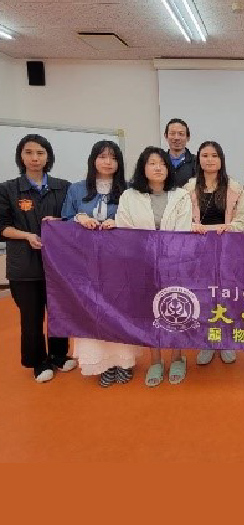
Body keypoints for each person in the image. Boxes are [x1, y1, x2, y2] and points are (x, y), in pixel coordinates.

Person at [61, 140, 142, 387]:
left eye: (113, 157)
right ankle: (101, 363)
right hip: (86, 263)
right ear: (93, 160)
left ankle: (123, 361)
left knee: (120, 310)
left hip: (120, 263)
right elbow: (64, 221)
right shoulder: (76, 189)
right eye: (102, 156)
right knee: (92, 310)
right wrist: (79, 218)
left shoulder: (129, 190)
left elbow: (137, 221)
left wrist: (118, 222)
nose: (108, 162)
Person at [0, 134, 76, 382]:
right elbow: (2, 227)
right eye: (29, 152)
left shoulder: (63, 187)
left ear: (48, 157)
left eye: (40, 153)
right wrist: (27, 235)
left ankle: (59, 355)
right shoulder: (8, 189)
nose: (35, 158)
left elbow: (71, 218)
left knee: (59, 312)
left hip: (58, 264)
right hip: (24, 265)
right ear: (21, 156)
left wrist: (59, 221)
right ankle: (38, 362)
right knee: (31, 317)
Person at [115, 147, 193, 387]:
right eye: (152, 163)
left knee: (176, 309)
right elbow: (124, 229)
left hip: (174, 263)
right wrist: (147, 254)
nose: (158, 167)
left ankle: (177, 357)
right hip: (142, 263)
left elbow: (183, 231)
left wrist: (168, 257)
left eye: (162, 163)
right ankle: (156, 361)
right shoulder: (129, 196)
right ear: (143, 168)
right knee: (149, 312)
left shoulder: (181, 195)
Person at [186, 141, 244, 366]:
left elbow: (242, 220)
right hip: (198, 252)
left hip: (227, 251)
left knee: (226, 296)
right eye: (205, 155)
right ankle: (207, 341)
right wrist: (193, 227)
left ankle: (226, 341)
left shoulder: (235, 188)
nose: (210, 159)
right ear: (199, 159)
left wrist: (228, 228)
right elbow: (181, 218)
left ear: (221, 160)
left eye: (214, 155)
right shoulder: (188, 188)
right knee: (203, 296)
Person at [164, 118, 196, 187]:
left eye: (181, 134)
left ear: (188, 137)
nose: (176, 138)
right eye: (172, 134)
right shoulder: (160, 161)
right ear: (166, 136)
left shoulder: (196, 161)